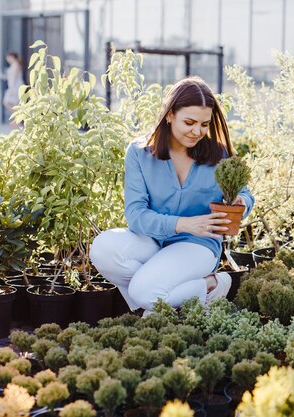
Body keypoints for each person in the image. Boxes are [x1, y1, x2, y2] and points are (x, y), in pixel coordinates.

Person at [89, 76, 254, 315]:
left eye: (205, 124)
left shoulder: (219, 154)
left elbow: (245, 193)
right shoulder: (139, 153)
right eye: (189, 122)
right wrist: (183, 224)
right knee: (102, 248)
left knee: (142, 291)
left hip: (197, 244)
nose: (198, 131)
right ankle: (200, 288)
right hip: (152, 239)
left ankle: (168, 296)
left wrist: (241, 202)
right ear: (169, 115)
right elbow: (135, 215)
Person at [3, 52, 24, 119]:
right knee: (13, 103)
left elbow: (14, 77)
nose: (7, 59)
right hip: (13, 85)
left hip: (15, 86)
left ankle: (19, 117)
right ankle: (18, 118)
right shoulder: (14, 65)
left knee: (8, 102)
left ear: (12, 57)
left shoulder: (15, 65)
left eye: (8, 57)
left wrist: (11, 89)